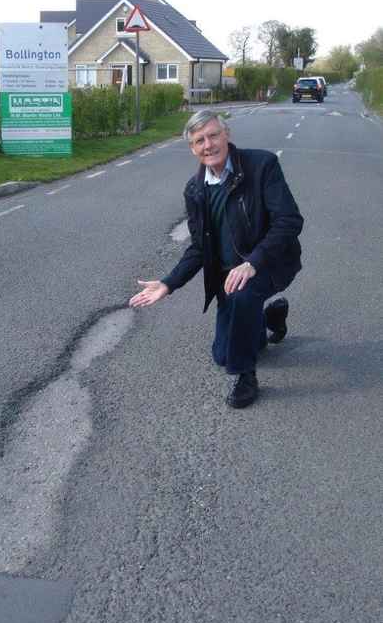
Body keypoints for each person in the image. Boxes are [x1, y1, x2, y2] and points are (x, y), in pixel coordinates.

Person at [129, 109, 303, 408]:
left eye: (213, 135)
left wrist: (253, 262)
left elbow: (289, 220)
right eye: (199, 140)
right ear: (192, 148)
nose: (208, 145)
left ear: (227, 135)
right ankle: (269, 318)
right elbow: (199, 248)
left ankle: (245, 376)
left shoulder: (262, 165)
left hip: (269, 262)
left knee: (241, 304)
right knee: (222, 353)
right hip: (227, 274)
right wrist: (169, 284)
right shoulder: (195, 189)